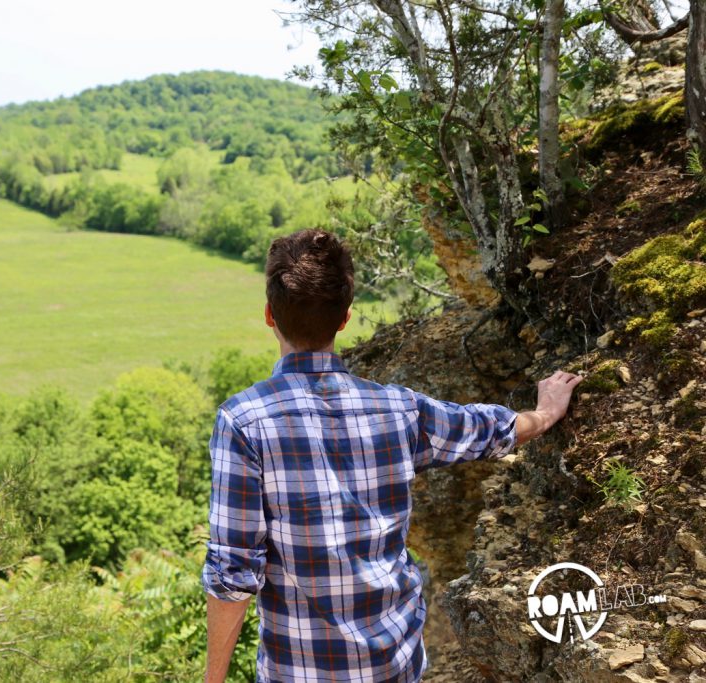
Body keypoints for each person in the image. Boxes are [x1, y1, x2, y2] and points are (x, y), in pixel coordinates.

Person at [202, 228, 582, 683]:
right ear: (344, 319)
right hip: (395, 663)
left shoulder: (244, 423)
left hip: (301, 670)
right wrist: (543, 413)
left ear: (269, 315)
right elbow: (489, 429)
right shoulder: (398, 408)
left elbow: (234, 574)